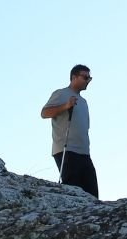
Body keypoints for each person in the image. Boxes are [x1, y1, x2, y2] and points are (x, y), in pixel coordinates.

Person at [40, 64, 98, 198]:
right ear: (74, 77)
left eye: (89, 78)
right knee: (73, 191)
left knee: (92, 193)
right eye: (85, 77)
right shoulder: (61, 94)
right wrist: (66, 106)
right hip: (66, 150)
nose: (88, 81)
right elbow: (44, 113)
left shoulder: (83, 102)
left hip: (84, 152)